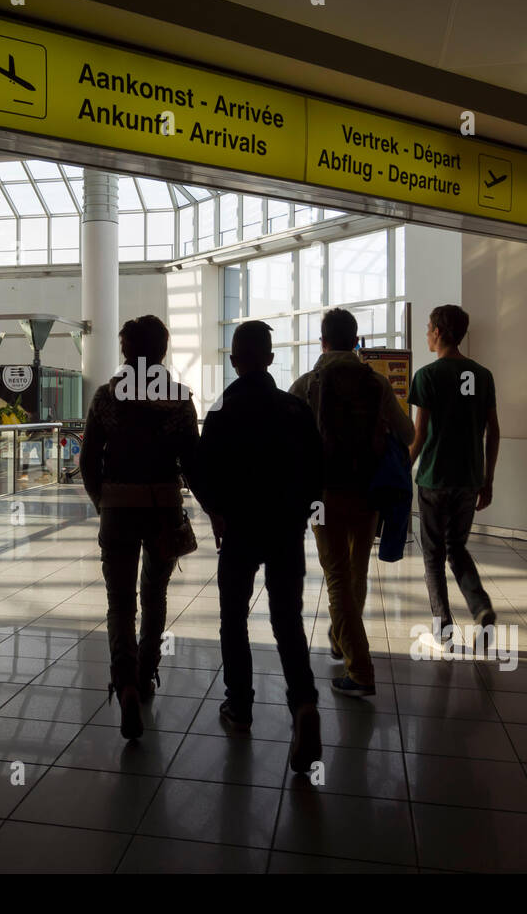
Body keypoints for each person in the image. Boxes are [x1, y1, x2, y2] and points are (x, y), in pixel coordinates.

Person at [195, 321, 324, 774]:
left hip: (241, 529)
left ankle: (240, 707)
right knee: (287, 618)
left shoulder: (223, 412)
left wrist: (216, 510)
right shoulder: (295, 410)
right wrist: (303, 514)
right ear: (270, 359)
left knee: (234, 617)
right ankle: (303, 702)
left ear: (235, 361)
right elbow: (316, 471)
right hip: (285, 527)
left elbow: (202, 470)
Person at [79, 315, 200, 741]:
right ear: (163, 351)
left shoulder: (106, 398)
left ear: (126, 351)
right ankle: (147, 674)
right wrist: (214, 511)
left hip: (118, 508)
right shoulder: (180, 400)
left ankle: (125, 682)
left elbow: (88, 460)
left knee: (119, 601)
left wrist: (104, 500)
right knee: (155, 593)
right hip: (164, 507)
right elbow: (193, 463)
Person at [291, 308, 413, 698]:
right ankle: (344, 640)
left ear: (322, 341)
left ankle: (360, 670)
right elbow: (408, 432)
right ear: (356, 340)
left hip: (323, 495)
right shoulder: (375, 383)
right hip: (367, 491)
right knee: (355, 572)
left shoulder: (308, 384)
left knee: (337, 578)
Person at [408, 304, 499, 648]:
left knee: (432, 554)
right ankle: (480, 606)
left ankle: (443, 627)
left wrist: (400, 470)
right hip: (469, 478)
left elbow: (419, 435)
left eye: (429, 327)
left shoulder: (427, 376)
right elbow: (494, 430)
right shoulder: (482, 375)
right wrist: (487, 479)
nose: (426, 333)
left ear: (440, 332)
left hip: (434, 478)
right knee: (456, 547)